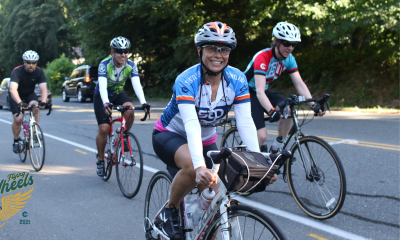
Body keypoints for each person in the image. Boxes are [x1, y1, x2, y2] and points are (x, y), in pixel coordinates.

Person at [152, 21, 276, 239]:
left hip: (206, 139)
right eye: (211, 48)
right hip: (170, 134)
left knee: (215, 199)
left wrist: (259, 163)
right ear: (200, 50)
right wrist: (200, 166)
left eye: (224, 49)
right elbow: (191, 123)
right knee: (193, 167)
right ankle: (169, 210)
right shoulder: (187, 80)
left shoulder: (236, 80)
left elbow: (246, 122)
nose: (218, 55)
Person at [243, 22, 325, 150]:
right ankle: (247, 163)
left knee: (288, 108)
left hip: (263, 91)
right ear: (276, 41)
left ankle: (276, 148)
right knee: (262, 136)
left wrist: (313, 104)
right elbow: (259, 92)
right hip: (247, 92)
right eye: (286, 44)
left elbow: (299, 83)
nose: (290, 48)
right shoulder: (263, 57)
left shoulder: (289, 59)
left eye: (294, 45)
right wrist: (271, 111)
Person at [94, 36, 150, 177]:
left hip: (119, 94)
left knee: (130, 110)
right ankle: (101, 160)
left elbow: (136, 83)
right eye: (120, 51)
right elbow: (102, 86)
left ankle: (122, 134)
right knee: (104, 129)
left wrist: (143, 102)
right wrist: (106, 102)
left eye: (126, 51)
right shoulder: (104, 64)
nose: (123, 54)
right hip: (102, 95)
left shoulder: (131, 65)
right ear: (113, 52)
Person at [9, 50, 48, 153]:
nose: (31, 65)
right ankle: (16, 141)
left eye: (33, 63)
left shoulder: (39, 72)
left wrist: (43, 102)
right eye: (28, 62)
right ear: (24, 62)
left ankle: (35, 130)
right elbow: (13, 89)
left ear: (36, 63)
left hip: (29, 94)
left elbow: (43, 89)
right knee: (18, 120)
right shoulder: (17, 71)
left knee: (35, 107)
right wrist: (20, 103)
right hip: (16, 95)